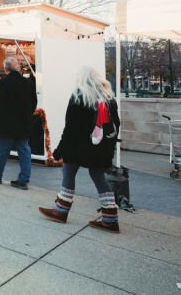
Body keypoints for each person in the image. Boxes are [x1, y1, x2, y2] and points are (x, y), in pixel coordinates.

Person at [39, 67, 121, 233]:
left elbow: (71, 128)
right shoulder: (109, 99)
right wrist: (108, 148)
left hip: (77, 146)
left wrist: (59, 150)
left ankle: (60, 211)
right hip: (100, 147)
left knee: (68, 173)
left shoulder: (78, 96)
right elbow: (116, 125)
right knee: (98, 176)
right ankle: (110, 218)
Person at [0, 57, 38, 190]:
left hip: (6, 125)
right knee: (24, 152)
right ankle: (23, 180)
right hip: (23, 124)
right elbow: (33, 103)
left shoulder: (3, 83)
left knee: (1, 151)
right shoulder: (28, 83)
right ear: (17, 68)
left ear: (6, 69)